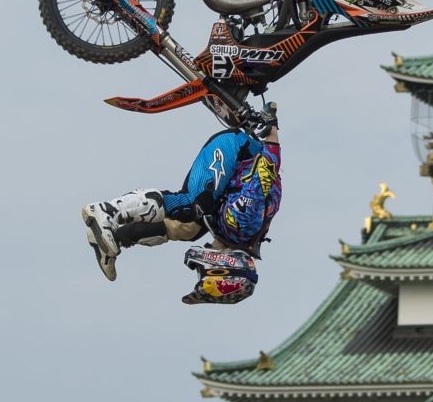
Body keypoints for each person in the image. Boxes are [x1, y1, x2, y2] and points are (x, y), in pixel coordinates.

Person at [81, 125, 282, 305]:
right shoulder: (241, 223)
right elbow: (265, 174)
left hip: (233, 176)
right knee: (192, 204)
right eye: (204, 272)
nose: (199, 270)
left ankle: (114, 238)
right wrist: (271, 130)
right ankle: (108, 210)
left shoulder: (234, 234)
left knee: (189, 229)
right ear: (223, 266)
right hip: (237, 149)